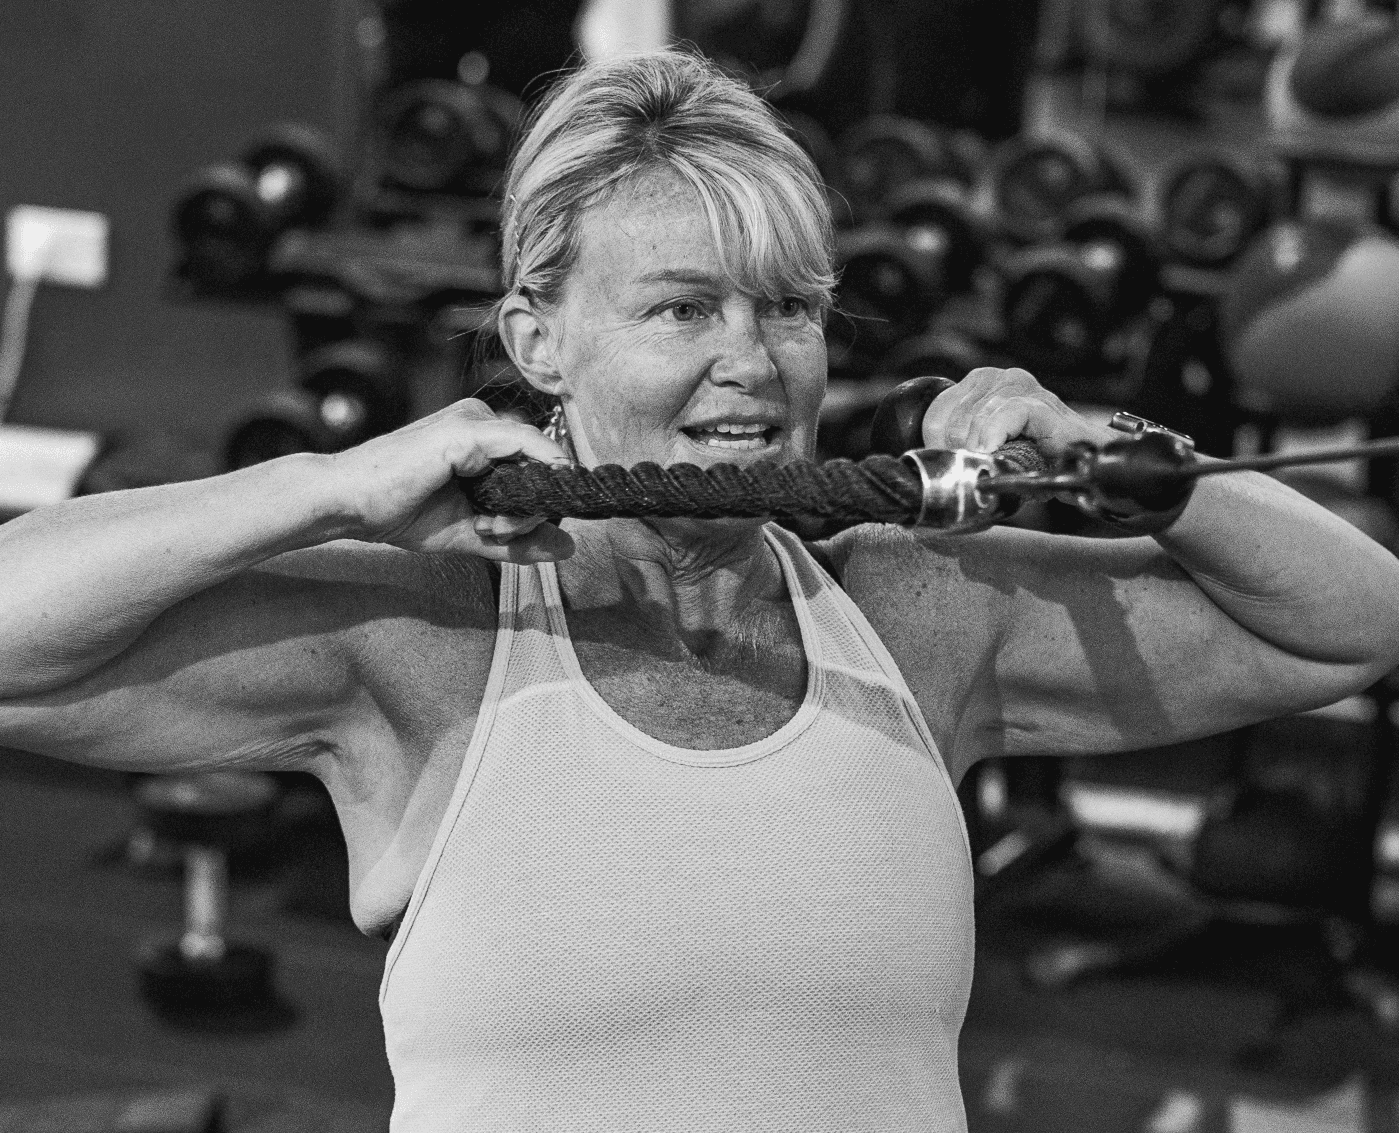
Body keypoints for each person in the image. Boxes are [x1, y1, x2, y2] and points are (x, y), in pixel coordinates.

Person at [2, 49, 1399, 1133]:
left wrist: (1119, 456)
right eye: (683, 307)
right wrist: (319, 484)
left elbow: (1354, 620)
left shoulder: (918, 617)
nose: (755, 359)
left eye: (787, 307)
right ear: (536, 336)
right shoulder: (421, 643)